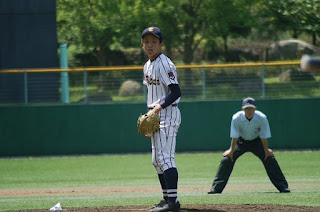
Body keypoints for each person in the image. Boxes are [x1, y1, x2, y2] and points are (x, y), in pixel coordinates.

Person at [208, 97, 290, 194]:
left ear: (255, 109)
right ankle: (216, 189)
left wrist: (266, 151)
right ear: (242, 109)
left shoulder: (262, 118)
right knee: (227, 159)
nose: (249, 111)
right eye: (247, 109)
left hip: (257, 142)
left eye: (251, 108)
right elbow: (235, 136)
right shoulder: (236, 118)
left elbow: (263, 136)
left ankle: (283, 187)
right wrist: (231, 151)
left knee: (269, 159)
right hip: (241, 142)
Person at [141, 26, 181, 212]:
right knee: (156, 161)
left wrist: (157, 108)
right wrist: (150, 117)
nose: (150, 45)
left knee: (166, 158)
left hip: (168, 113)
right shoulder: (147, 65)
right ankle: (166, 200)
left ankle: (173, 203)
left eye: (154, 42)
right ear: (142, 44)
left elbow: (176, 92)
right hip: (155, 115)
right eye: (147, 41)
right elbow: (152, 93)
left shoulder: (165, 64)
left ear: (161, 44)